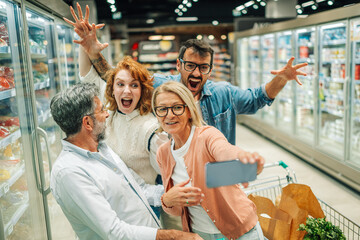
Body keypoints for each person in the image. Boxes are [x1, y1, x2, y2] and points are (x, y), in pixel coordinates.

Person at [64, 5, 308, 145]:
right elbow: (117, 78)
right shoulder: (161, 85)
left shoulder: (223, 93)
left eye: (203, 68)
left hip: (217, 170)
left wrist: (282, 79)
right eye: (190, 65)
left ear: (210, 70)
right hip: (177, 170)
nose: (196, 73)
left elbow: (257, 98)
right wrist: (92, 51)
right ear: (178, 65)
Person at [65, 4, 183, 229]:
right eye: (120, 84)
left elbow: (170, 174)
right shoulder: (108, 111)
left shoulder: (151, 130)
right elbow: (87, 77)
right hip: (106, 200)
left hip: (139, 208)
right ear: (112, 89)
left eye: (134, 85)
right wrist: (86, 44)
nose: (126, 91)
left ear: (143, 91)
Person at [50, 83, 202, 240]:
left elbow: (139, 189)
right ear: (87, 122)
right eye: (102, 110)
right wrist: (174, 236)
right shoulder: (70, 173)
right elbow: (114, 232)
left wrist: (170, 194)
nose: (107, 114)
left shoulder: (103, 150)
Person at [151, 81, 265, 240]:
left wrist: (242, 159)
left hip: (240, 231)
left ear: (189, 111)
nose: (169, 115)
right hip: (200, 234)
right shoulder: (163, 154)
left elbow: (224, 151)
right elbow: (177, 211)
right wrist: (167, 200)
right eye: (162, 109)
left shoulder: (206, 136)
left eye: (177, 107)